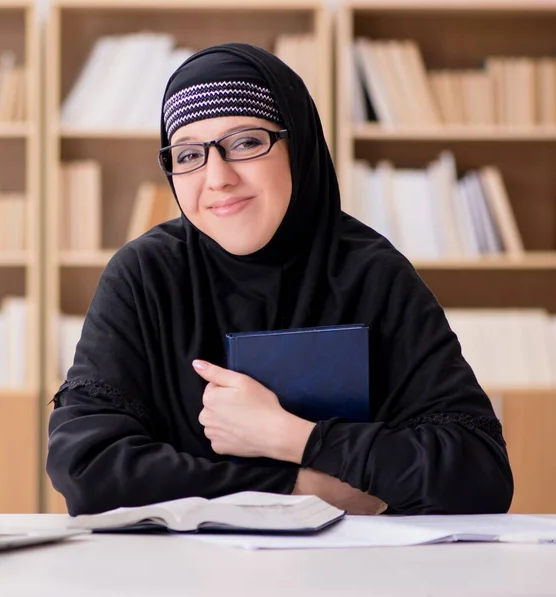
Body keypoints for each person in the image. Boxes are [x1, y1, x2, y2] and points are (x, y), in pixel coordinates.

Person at [46, 43, 513, 517]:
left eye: (246, 142)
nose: (217, 177)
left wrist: (293, 437)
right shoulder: (145, 276)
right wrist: (297, 488)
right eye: (188, 155)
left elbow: (480, 475)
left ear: (299, 144)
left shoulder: (373, 274)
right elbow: (88, 468)